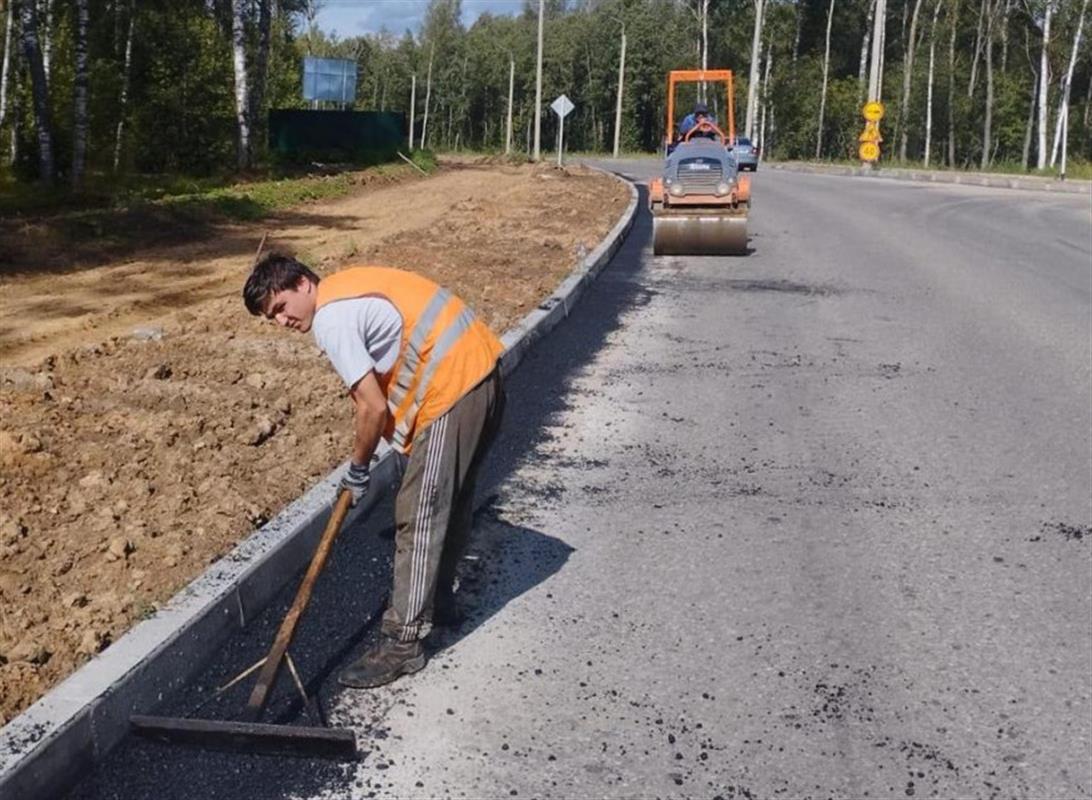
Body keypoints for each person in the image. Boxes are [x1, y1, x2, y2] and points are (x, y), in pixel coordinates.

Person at [243, 254, 506, 689]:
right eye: (271, 318)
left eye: (280, 308)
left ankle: (403, 644)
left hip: (453, 389)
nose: (281, 322)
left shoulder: (331, 319)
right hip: (483, 377)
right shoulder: (349, 286)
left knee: (419, 517)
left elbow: (371, 405)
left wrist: (358, 468)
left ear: (303, 284)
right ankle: (437, 604)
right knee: (450, 504)